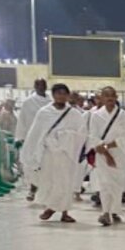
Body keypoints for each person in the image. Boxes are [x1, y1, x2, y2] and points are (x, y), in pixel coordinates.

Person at [20, 84, 87, 224]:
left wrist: (64, 136)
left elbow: (81, 133)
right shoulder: (44, 112)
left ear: (68, 96)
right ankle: (50, 207)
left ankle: (64, 212)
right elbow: (36, 133)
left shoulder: (74, 114)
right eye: (58, 93)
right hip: (49, 153)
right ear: (53, 95)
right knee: (50, 181)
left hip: (67, 154)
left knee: (66, 183)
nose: (61, 96)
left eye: (64, 93)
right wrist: (33, 149)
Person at [87, 87, 125, 226]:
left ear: (116, 97)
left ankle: (114, 211)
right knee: (105, 183)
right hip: (102, 155)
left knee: (117, 184)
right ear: (101, 98)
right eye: (106, 96)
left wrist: (108, 147)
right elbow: (92, 136)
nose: (109, 98)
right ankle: (105, 212)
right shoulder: (96, 116)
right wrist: (106, 153)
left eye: (112, 96)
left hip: (120, 154)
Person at [15, 78, 51, 201]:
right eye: (39, 85)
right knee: (32, 166)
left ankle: (46, 192)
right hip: (32, 139)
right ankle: (32, 190)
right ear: (35, 86)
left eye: (43, 85)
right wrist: (20, 137)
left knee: (47, 166)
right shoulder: (28, 102)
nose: (41, 87)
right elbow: (22, 121)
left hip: (48, 140)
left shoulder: (51, 101)